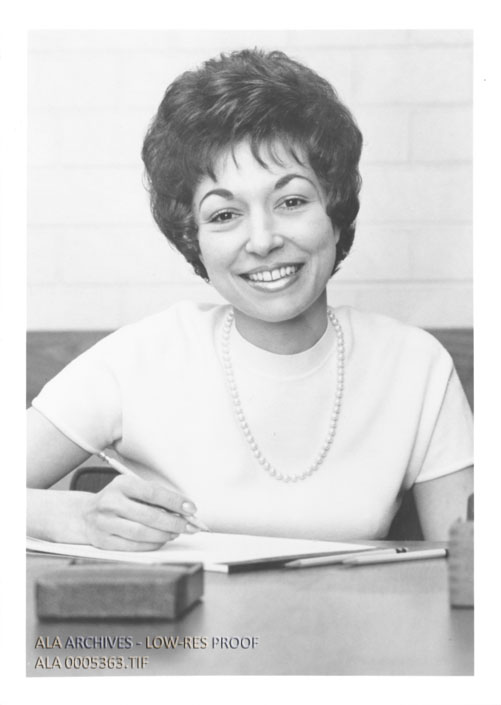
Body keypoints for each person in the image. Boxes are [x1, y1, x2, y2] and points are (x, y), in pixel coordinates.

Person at [27, 49, 473, 550]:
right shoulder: (138, 359)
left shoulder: (417, 368)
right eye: (224, 215)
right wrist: (76, 517)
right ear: (193, 238)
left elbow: (470, 573)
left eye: (292, 202)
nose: (262, 240)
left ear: (336, 210)